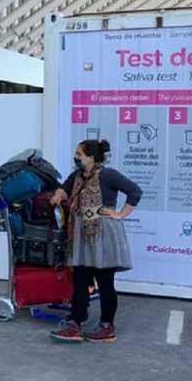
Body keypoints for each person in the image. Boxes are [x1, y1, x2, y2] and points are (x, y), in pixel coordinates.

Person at [49, 139, 141, 344]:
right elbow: (64, 189)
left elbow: (135, 191)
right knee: (80, 280)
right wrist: (58, 195)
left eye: (79, 154)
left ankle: (107, 326)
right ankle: (75, 323)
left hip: (102, 234)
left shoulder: (109, 175)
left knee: (105, 281)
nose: (76, 157)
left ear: (91, 157)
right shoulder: (78, 176)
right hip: (81, 235)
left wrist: (119, 214)